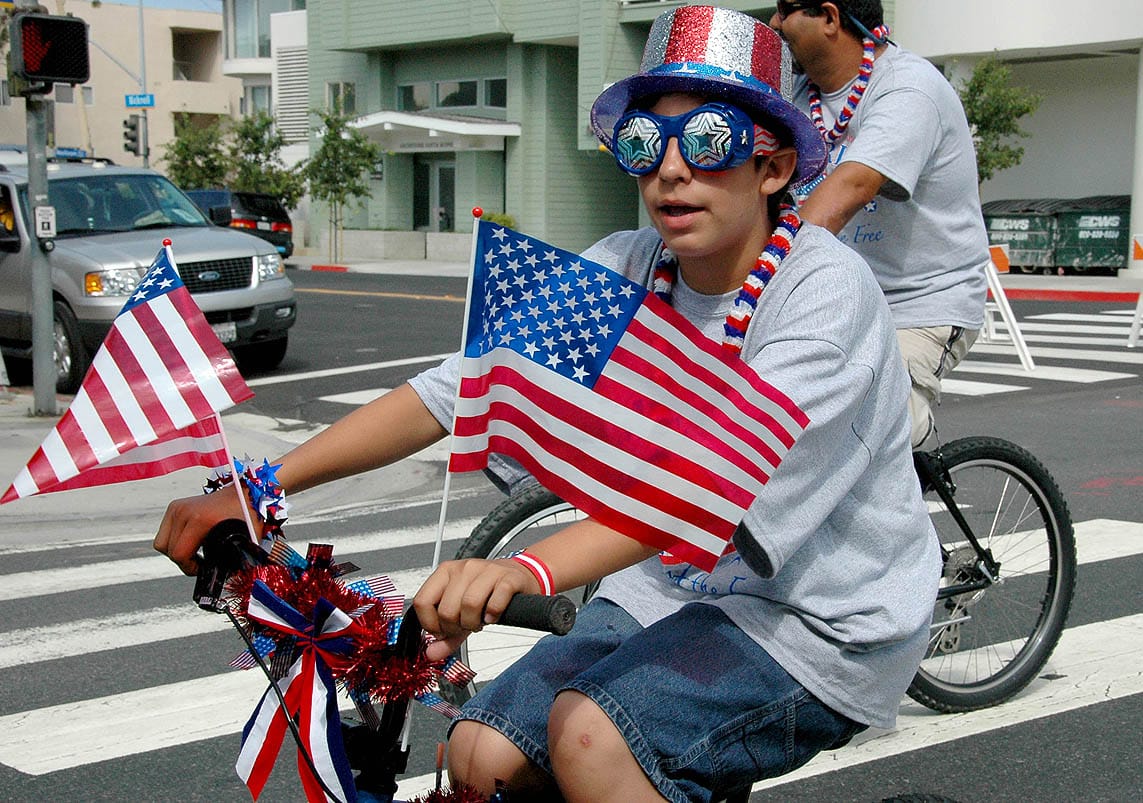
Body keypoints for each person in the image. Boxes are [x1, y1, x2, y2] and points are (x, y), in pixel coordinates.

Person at [155, 7, 939, 801]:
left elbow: (711, 479)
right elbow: (452, 388)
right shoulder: (626, 269)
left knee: (591, 739)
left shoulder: (821, 291)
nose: (670, 171)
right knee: (478, 753)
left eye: (708, 142)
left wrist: (522, 567)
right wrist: (257, 488)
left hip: (819, 619)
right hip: (668, 587)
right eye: (643, 143)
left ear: (773, 168)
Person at [770, 0, 990, 447]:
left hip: (919, 305)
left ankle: (907, 438)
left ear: (829, 17)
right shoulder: (795, 95)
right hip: (839, 299)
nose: (775, 23)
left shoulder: (909, 88)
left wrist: (766, 272)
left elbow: (851, 186)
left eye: (786, 9)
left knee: (872, 432)